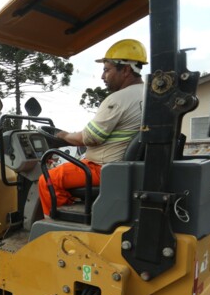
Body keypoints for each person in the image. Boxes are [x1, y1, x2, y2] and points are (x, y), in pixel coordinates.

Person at [38, 39, 147, 215]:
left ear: (126, 70)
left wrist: (63, 135)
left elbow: (89, 138)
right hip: (126, 167)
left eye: (107, 70)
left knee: (47, 179)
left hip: (103, 167)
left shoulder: (118, 99)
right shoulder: (147, 94)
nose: (103, 76)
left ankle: (59, 225)